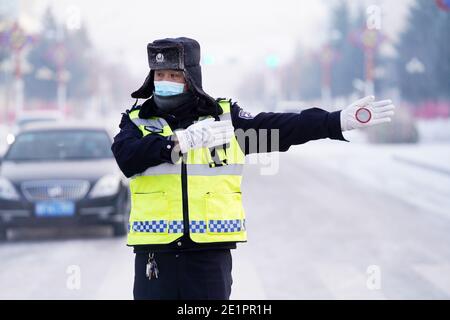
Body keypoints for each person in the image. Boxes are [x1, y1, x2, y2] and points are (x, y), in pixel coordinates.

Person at [111, 37, 395, 300]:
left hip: (208, 257)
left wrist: (335, 122)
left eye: (173, 75)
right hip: (155, 257)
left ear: (190, 79)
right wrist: (176, 142)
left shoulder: (224, 120)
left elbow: (279, 128)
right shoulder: (136, 122)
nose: (165, 82)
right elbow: (127, 157)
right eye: (160, 75)